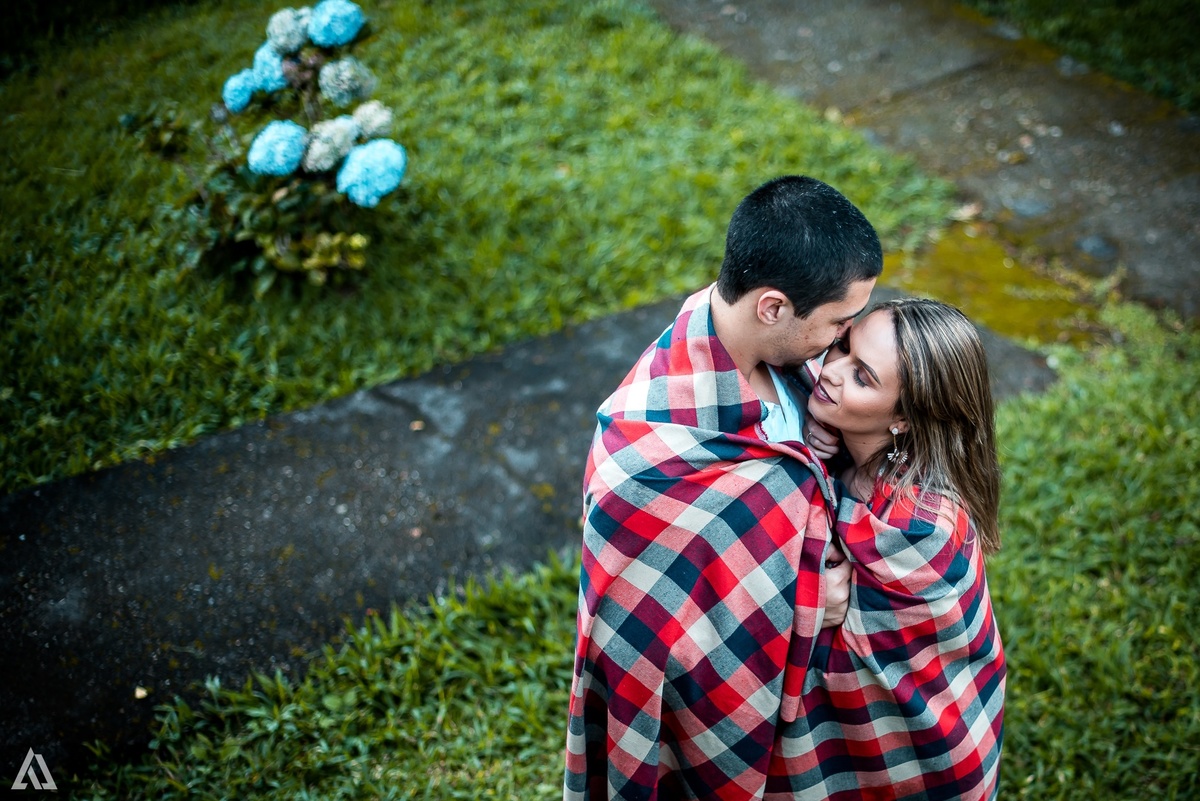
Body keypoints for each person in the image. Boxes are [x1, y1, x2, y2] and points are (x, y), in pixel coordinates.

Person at [564, 175, 882, 800]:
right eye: (837, 322)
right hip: (713, 711)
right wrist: (814, 599)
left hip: (810, 704)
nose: (841, 341)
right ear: (773, 307)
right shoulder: (644, 454)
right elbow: (642, 636)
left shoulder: (801, 360)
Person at [774, 298, 1006, 800]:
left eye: (862, 377)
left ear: (903, 419)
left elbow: (858, 660)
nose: (831, 372)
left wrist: (814, 601)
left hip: (919, 756)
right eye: (842, 347)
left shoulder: (919, 526)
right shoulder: (850, 449)